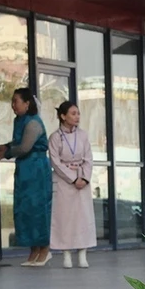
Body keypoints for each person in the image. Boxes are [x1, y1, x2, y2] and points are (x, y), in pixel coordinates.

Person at [0, 89, 52, 266]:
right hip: (25, 170)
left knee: (38, 209)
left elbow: (25, 147)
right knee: (25, 209)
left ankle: (45, 249)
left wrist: (6, 154)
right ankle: (33, 250)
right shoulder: (19, 120)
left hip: (36, 170)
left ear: (27, 103)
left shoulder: (34, 122)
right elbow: (18, 141)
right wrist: (4, 146)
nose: (13, 105)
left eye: (16, 101)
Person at [48, 101, 97, 268]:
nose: (77, 117)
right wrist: (72, 178)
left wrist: (84, 177)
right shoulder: (55, 137)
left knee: (83, 217)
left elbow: (89, 158)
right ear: (63, 116)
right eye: (73, 113)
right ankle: (66, 254)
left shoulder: (83, 135)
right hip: (64, 181)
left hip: (82, 180)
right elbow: (55, 161)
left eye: (78, 113)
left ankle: (83, 253)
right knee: (65, 217)